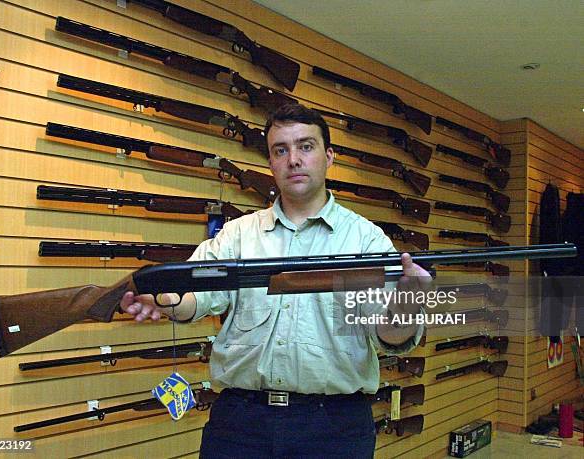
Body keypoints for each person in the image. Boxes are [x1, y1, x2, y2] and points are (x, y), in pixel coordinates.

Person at [120, 104, 430, 458]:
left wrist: (408, 304)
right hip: (240, 425)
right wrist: (162, 298)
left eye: (306, 146)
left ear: (329, 157)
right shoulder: (238, 236)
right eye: (280, 150)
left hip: (334, 429)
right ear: (270, 163)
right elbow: (194, 295)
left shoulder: (367, 242)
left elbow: (390, 337)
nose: (293, 159)